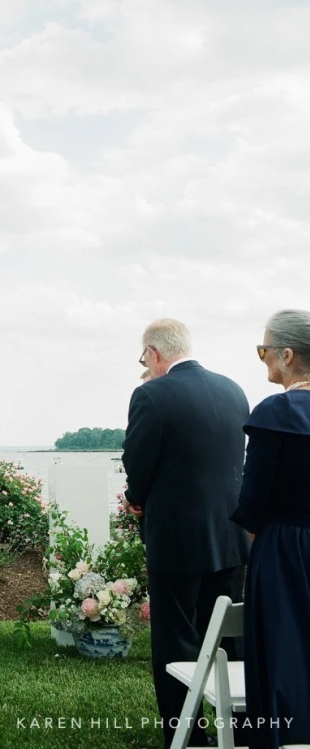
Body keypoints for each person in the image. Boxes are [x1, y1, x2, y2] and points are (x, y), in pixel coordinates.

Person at [122, 319, 250, 748]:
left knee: (177, 640)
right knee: (227, 640)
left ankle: (188, 737)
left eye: (144, 358)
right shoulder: (234, 391)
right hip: (230, 538)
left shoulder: (151, 394)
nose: (146, 366)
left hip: (177, 541)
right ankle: (237, 729)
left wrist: (135, 497)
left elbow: (137, 462)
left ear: (155, 353)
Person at [231, 309, 310, 749]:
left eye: (263, 350)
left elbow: (252, 504)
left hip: (285, 549)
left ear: (287, 353)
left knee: (283, 655)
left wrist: (261, 538)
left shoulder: (277, 412)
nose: (262, 358)